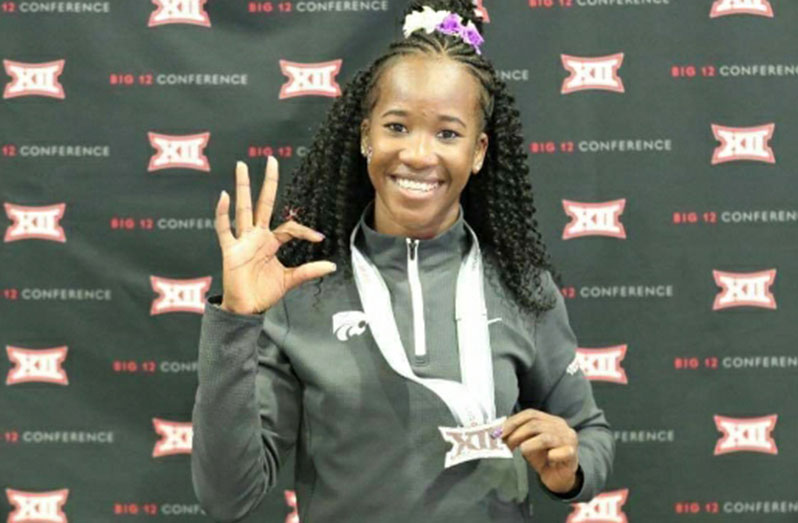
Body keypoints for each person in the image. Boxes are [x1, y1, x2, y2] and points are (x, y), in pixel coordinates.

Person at [190, 1, 615, 522]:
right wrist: (235, 321)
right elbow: (226, 497)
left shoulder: (522, 286)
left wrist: (571, 466)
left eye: (448, 133)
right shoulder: (304, 289)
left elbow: (589, 433)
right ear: (366, 134)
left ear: (479, 151)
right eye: (397, 126)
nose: (418, 154)